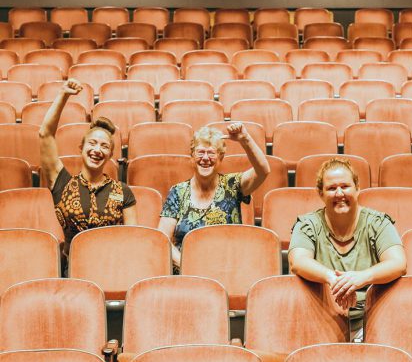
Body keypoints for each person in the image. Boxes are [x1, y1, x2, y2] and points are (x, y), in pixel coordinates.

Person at [288, 158, 407, 337]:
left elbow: (398, 263)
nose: (339, 193)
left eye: (345, 186)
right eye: (331, 188)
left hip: (373, 318)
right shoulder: (307, 224)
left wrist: (360, 278)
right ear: (320, 193)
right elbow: (298, 261)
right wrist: (333, 280)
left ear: (357, 188)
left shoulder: (378, 223)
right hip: (321, 320)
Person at [39, 78, 137, 252]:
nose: (97, 150)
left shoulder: (122, 191)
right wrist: (62, 95)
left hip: (112, 266)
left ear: (110, 155)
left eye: (104, 146)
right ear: (81, 148)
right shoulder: (62, 183)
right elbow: (45, 134)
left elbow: (132, 239)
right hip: (74, 269)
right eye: (92, 143)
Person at [158, 123, 270, 270]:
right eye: (200, 152)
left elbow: (263, 170)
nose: (205, 158)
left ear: (221, 157)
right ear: (191, 156)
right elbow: (163, 238)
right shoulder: (178, 191)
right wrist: (187, 266)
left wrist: (245, 139)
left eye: (211, 153)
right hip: (187, 273)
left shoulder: (233, 185)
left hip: (229, 270)